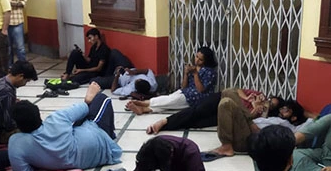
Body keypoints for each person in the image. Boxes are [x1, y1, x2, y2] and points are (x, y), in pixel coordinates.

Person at [8, 82, 122, 171]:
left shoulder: (16, 143)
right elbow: (85, 107)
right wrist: (89, 97)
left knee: (72, 124)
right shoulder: (56, 119)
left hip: (76, 154)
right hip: (100, 143)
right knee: (101, 98)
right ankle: (110, 135)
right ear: (38, 114)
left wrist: (40, 159)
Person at [146, 88, 283, 135]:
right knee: (197, 111)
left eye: (271, 105)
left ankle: (166, 126)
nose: (267, 102)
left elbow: (246, 119)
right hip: (221, 98)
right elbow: (235, 90)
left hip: (226, 113)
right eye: (270, 99)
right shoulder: (256, 94)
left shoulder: (260, 113)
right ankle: (163, 121)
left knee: (198, 123)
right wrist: (247, 98)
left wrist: (254, 109)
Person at [206, 93, 303, 159]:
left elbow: (312, 120)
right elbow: (264, 110)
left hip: (250, 137)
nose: (282, 110)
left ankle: (226, 146)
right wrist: (255, 109)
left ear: (294, 117)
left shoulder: (288, 126)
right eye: (283, 107)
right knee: (228, 92)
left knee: (226, 102)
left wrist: (306, 114)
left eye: (287, 110)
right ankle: (249, 121)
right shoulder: (271, 117)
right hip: (247, 126)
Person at [126, 47, 218, 115]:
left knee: (170, 101)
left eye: (200, 59)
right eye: (196, 56)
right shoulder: (193, 67)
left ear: (206, 61)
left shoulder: (210, 72)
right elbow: (184, 86)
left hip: (197, 98)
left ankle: (143, 103)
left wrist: (195, 74)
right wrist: (186, 73)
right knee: (169, 103)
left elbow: (201, 90)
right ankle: (144, 109)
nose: (197, 60)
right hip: (185, 92)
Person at [0, 60, 38, 145]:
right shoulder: (6, 92)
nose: (25, 84)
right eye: (26, 81)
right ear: (21, 76)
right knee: (33, 132)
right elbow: (8, 124)